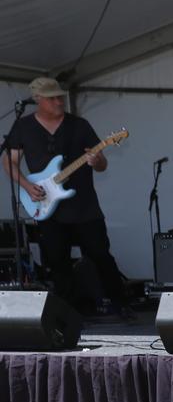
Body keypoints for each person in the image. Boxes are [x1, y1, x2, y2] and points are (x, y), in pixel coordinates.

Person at [3, 77, 129, 316]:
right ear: (38, 100)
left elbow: (101, 164)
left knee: (100, 254)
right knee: (57, 260)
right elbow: (9, 162)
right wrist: (27, 186)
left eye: (60, 96)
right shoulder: (23, 127)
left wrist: (97, 160)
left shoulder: (79, 125)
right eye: (52, 98)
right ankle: (70, 311)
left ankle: (119, 302)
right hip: (46, 205)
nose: (59, 101)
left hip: (84, 206)